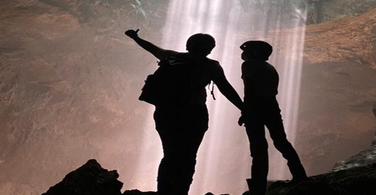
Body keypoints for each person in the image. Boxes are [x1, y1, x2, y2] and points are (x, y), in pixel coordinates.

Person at [125, 29, 243, 195]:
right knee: (188, 156)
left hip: (166, 113)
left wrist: (135, 37)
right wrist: (244, 109)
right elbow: (226, 89)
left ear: (188, 45)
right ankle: (181, 190)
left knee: (170, 154)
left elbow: (151, 48)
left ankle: (164, 191)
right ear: (210, 49)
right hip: (195, 114)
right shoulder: (211, 66)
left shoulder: (172, 57)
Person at [238, 41, 307, 195]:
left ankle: (258, 188)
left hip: (256, 107)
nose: (244, 53)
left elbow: (249, 90)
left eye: (247, 50)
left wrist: (245, 112)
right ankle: (299, 174)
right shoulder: (270, 68)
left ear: (255, 53)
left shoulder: (249, 65)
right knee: (281, 141)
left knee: (258, 149)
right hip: (272, 107)